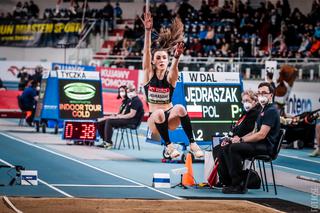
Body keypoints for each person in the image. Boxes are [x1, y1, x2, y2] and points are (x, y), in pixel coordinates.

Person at [142, 12, 203, 159]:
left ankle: (193, 144)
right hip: (154, 120)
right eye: (158, 58)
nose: (161, 60)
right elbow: (146, 54)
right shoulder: (149, 75)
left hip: (170, 118)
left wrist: (177, 57)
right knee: (159, 113)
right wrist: (148, 31)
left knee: (181, 107)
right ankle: (169, 146)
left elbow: (174, 68)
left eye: (164, 57)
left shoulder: (170, 76)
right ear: (153, 61)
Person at [221, 82, 280, 194]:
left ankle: (238, 185)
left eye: (264, 93)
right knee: (229, 146)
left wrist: (242, 140)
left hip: (266, 147)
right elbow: (254, 132)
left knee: (234, 148)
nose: (261, 95)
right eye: (259, 93)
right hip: (258, 144)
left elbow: (261, 134)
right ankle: (230, 181)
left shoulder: (271, 111)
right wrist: (238, 139)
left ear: (271, 95)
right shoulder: (263, 110)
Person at [216, 90, 261, 186]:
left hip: (249, 142)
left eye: (248, 100)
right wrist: (229, 138)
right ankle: (225, 180)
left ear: (254, 101)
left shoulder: (255, 113)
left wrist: (233, 139)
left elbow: (244, 131)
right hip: (239, 140)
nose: (246, 103)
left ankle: (234, 181)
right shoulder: (245, 113)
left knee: (228, 148)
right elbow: (236, 130)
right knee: (218, 148)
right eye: (244, 101)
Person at [101, 84, 144, 149]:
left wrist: (118, 117)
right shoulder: (130, 100)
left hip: (132, 122)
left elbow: (131, 115)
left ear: (135, 91)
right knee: (101, 122)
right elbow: (124, 113)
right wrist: (116, 116)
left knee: (109, 121)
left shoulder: (136, 101)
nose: (129, 93)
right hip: (127, 119)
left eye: (131, 91)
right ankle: (105, 141)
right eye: (128, 92)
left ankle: (108, 143)